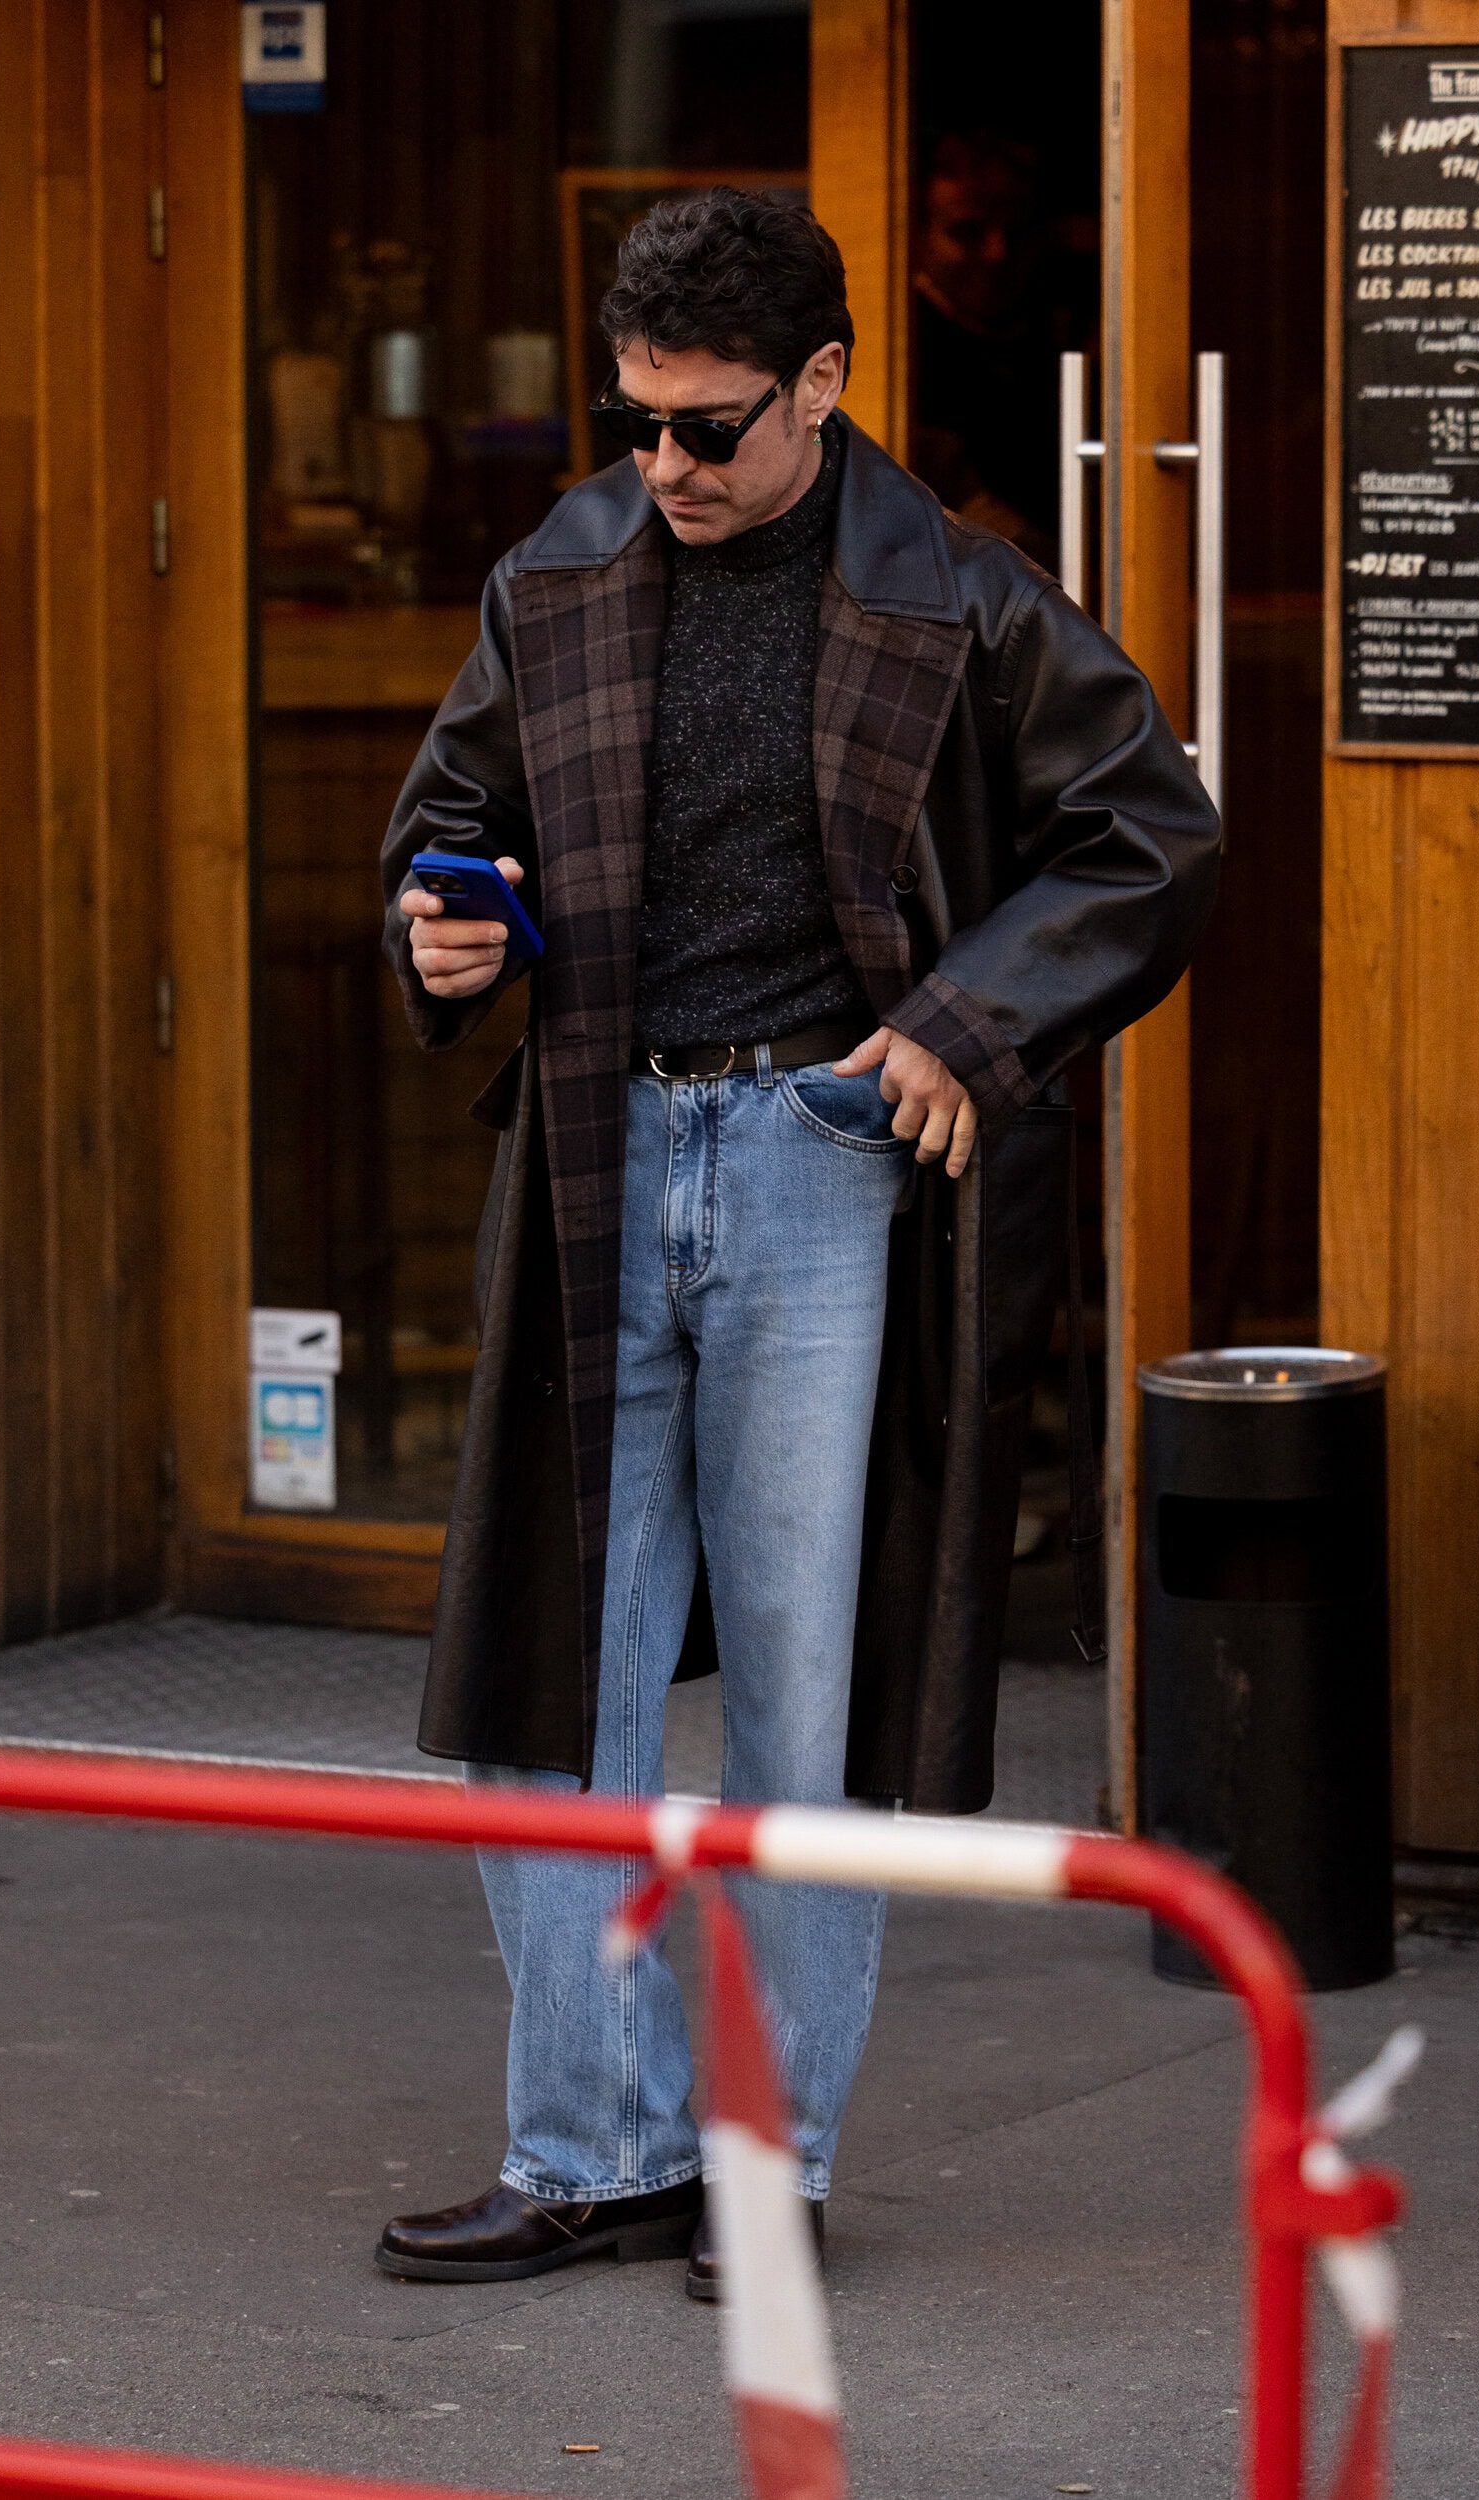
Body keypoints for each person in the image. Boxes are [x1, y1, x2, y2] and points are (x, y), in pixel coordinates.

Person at [374, 188, 1218, 2297]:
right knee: (540, 1674)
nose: (660, 466)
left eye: (709, 426)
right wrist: (438, 923)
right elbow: (438, 822)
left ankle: (758, 2163)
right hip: (590, 1144)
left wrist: (963, 1016)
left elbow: (1151, 830)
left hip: (825, 1152)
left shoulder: (962, 590)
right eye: (635, 419)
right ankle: (587, 2146)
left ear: (826, 384)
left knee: (796, 1701)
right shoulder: (551, 572)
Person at [910, 131, 1095, 569]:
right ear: (915, 234)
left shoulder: (1065, 330)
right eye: (967, 231)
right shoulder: (900, 349)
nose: (997, 252)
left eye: (1017, 231)